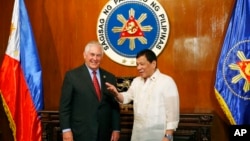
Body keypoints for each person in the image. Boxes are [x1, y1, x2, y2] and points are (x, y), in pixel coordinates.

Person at [106, 49, 179, 141]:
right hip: (137, 135)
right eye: (137, 64)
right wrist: (116, 94)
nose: (138, 68)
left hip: (158, 136)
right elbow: (126, 97)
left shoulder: (167, 82)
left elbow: (173, 114)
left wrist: (168, 136)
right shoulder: (136, 81)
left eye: (142, 64)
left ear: (153, 64)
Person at [59, 41, 120, 141]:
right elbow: (65, 107)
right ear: (85, 55)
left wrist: (116, 129)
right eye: (92, 55)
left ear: (102, 57)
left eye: (98, 55)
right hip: (80, 132)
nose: (95, 59)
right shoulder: (72, 76)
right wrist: (66, 130)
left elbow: (114, 107)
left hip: (104, 133)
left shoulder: (110, 77)